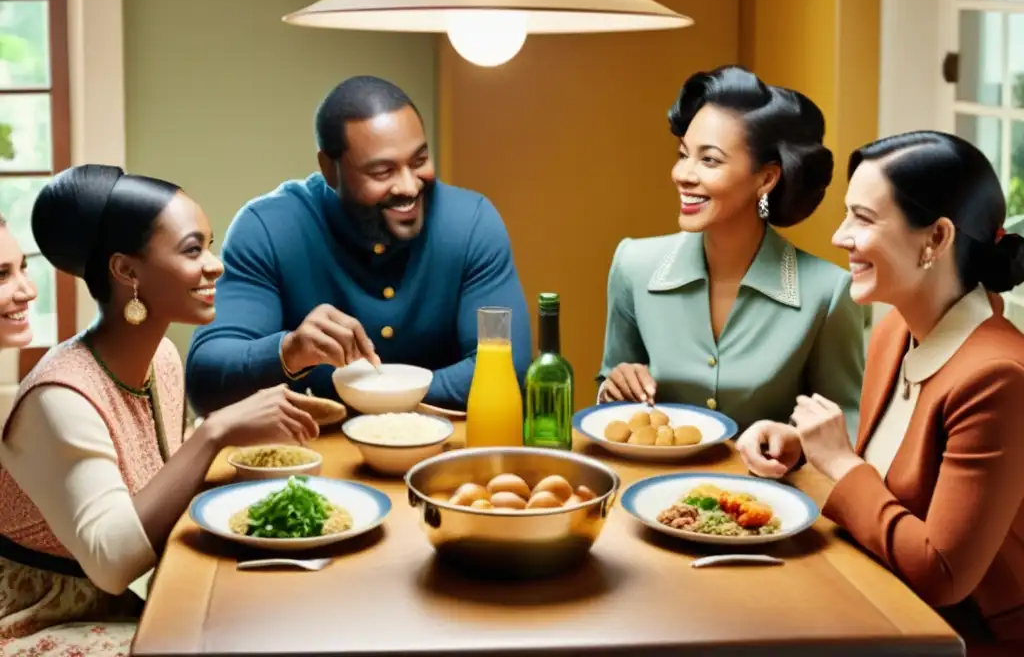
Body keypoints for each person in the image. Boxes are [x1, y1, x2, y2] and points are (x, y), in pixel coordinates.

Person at [0, 166, 318, 655]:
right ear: (126, 271)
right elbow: (112, 564)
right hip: (38, 621)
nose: (216, 266)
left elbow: (169, 481)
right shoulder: (59, 398)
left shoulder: (162, 358)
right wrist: (215, 432)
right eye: (193, 250)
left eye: (209, 246)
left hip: (125, 602)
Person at [737, 131, 1024, 650]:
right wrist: (807, 448)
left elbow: (942, 573)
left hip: (964, 639)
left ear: (936, 239)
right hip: (877, 599)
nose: (839, 236)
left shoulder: (999, 377)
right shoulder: (896, 330)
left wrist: (842, 463)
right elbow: (896, 482)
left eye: (863, 219)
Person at [184, 75, 531, 414]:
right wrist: (290, 351)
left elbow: (507, 369)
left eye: (420, 160)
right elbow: (205, 382)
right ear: (330, 170)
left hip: (444, 456)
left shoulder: (471, 222)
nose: (409, 187)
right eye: (383, 172)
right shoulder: (270, 228)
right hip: (311, 457)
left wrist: (380, 397)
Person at [596, 65, 864, 433]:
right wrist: (614, 389)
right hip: (649, 488)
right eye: (682, 154)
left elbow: (847, 425)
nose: (683, 174)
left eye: (709, 160)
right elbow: (612, 407)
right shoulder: (634, 267)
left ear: (766, 178)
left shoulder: (827, 293)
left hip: (772, 490)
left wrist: (793, 445)